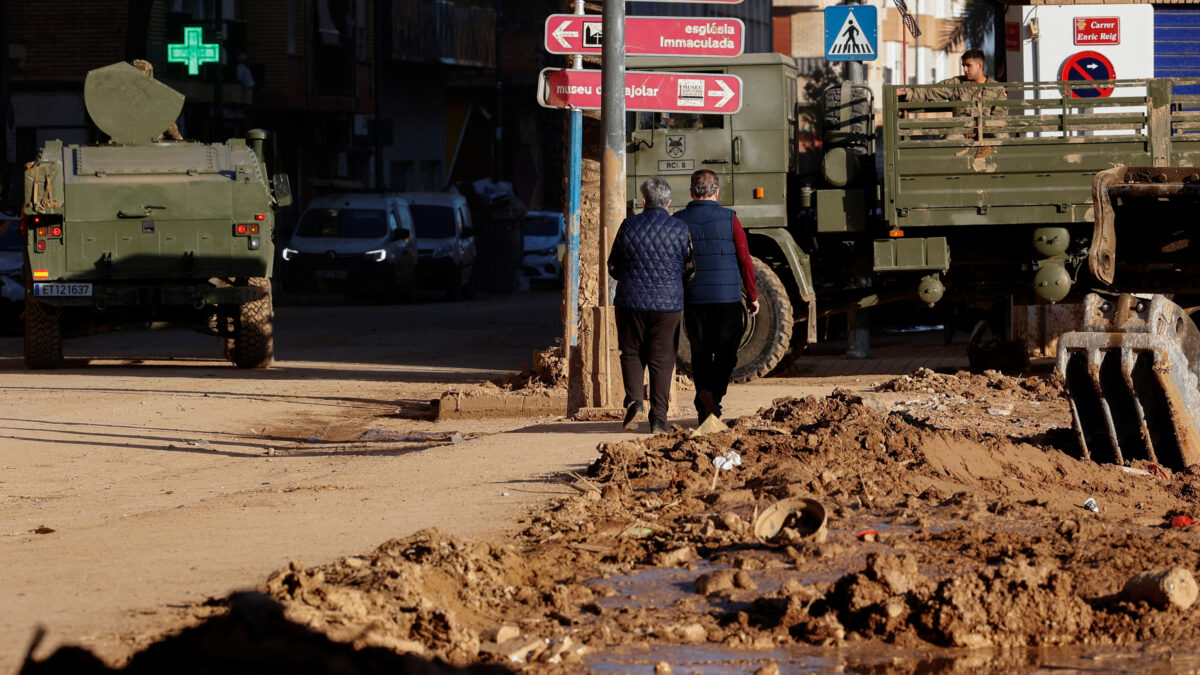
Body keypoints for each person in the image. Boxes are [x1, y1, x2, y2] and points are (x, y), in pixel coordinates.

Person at [607, 176, 693, 434]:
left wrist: (631, 278)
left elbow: (613, 266)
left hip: (629, 302)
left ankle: (634, 402)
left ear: (643, 201)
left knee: (631, 352)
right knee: (663, 359)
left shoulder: (628, 225)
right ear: (668, 202)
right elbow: (690, 267)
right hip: (668, 305)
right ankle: (658, 419)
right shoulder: (680, 228)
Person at [673, 169, 759, 425]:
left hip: (695, 299)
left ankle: (704, 409)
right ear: (717, 192)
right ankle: (714, 395)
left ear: (691, 192)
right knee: (727, 354)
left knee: (700, 353)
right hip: (727, 298)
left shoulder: (678, 220)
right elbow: (745, 260)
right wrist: (752, 296)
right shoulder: (730, 218)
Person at [899, 48, 1006, 136]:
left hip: (986, 132)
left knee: (999, 136)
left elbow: (999, 117)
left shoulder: (997, 88)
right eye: (963, 65)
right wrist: (906, 93)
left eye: (968, 65)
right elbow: (930, 91)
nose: (965, 69)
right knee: (949, 137)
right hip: (960, 132)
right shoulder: (956, 84)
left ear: (980, 65)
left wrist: (979, 128)